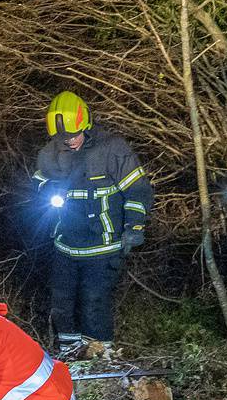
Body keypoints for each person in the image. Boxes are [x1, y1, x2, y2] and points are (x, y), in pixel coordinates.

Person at [32, 91, 151, 359]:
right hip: (65, 246)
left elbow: (138, 189)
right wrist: (47, 188)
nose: (70, 142)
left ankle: (100, 358)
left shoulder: (112, 149)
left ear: (85, 124)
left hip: (103, 246)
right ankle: (70, 357)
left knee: (94, 302)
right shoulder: (48, 155)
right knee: (61, 303)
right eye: (63, 138)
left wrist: (134, 226)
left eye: (73, 135)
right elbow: (36, 185)